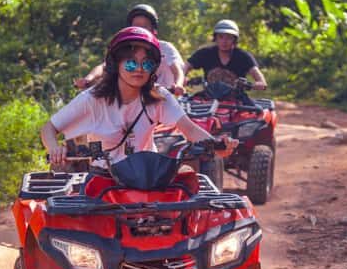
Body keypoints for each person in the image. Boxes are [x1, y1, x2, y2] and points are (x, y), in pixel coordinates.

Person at [42, 26, 236, 168]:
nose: (140, 69)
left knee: (186, 179)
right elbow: (49, 128)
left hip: (146, 176)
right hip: (104, 178)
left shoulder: (159, 96)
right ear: (114, 65)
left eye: (147, 63)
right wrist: (54, 148)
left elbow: (191, 131)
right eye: (131, 64)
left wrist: (217, 145)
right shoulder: (93, 99)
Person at [74, 4, 186, 95]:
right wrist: (88, 79)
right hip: (137, 100)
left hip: (164, 98)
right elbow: (104, 67)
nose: (141, 30)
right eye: (137, 26)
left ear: (154, 30)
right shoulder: (126, 49)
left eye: (145, 26)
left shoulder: (166, 48)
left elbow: (177, 70)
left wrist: (178, 85)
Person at [183, 19, 268, 90]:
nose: (224, 41)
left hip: (236, 100)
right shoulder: (205, 53)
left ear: (234, 40)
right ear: (215, 38)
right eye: (221, 37)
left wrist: (255, 84)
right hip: (209, 98)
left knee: (256, 110)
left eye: (229, 38)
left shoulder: (243, 56)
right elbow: (186, 66)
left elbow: (261, 80)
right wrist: (182, 78)